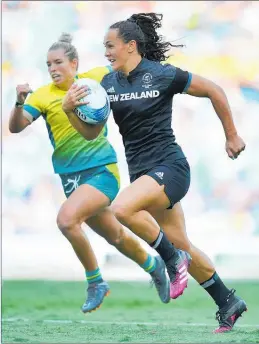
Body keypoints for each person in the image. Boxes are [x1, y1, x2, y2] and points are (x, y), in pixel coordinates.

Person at [67, 13, 247, 333]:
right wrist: (70, 111)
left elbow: (215, 90)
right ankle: (227, 301)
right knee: (184, 245)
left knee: (122, 208)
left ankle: (170, 258)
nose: (106, 52)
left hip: (171, 168)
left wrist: (231, 135)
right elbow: (91, 133)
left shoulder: (162, 75)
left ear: (131, 46)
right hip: (143, 178)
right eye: (104, 46)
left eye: (111, 45)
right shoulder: (107, 83)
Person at [8, 32, 181, 314]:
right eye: (48, 64)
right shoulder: (41, 96)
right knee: (116, 237)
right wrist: (18, 101)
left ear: (74, 64)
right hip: (71, 180)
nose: (52, 69)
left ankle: (96, 282)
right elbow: (16, 127)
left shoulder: (96, 78)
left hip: (102, 172)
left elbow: (127, 64)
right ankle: (155, 266)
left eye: (58, 62)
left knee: (66, 220)